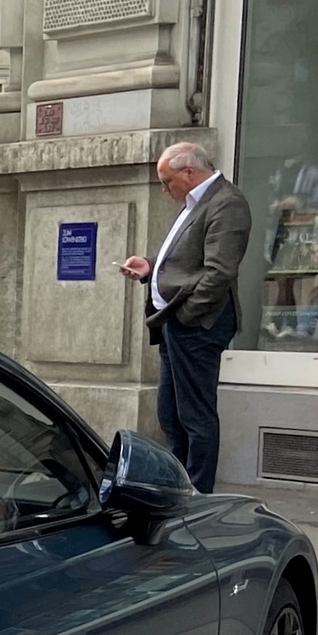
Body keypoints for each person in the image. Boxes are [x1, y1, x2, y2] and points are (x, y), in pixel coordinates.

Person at [121, 140, 252, 493]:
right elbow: (185, 262)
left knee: (195, 414)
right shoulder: (197, 203)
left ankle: (197, 494)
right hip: (174, 323)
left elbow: (219, 273)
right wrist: (151, 267)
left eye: (167, 182)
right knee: (170, 413)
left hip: (197, 324)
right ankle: (177, 487)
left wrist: (186, 315)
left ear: (189, 172)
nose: (165, 191)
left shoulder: (227, 203)